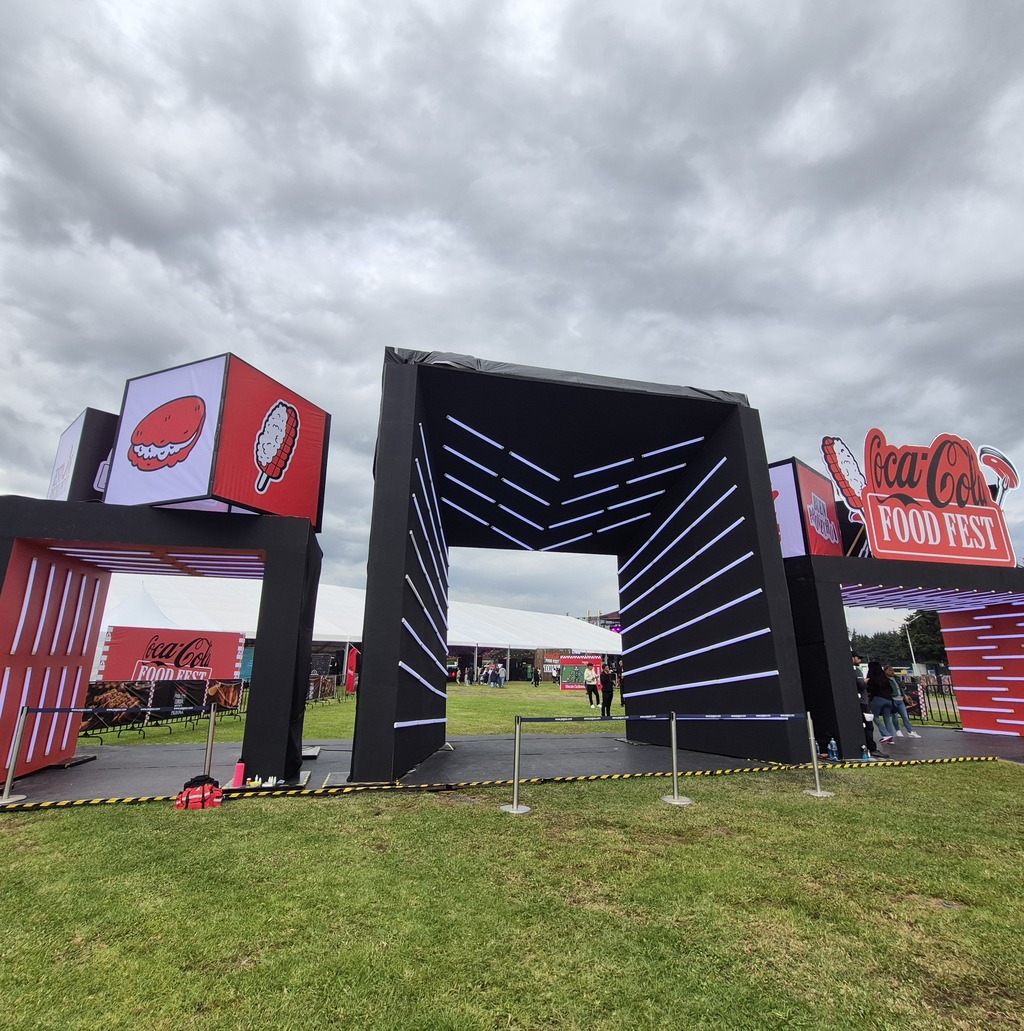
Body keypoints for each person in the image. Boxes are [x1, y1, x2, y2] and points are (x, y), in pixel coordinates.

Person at [853, 652, 882, 756]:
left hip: (858, 701)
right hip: (862, 702)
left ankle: (865, 747)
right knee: (868, 725)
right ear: (852, 658)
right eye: (858, 658)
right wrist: (865, 682)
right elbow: (861, 684)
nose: (860, 660)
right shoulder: (856, 670)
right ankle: (871, 748)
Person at [865, 659, 897, 744]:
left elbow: (870, 689)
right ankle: (890, 736)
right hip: (888, 700)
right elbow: (890, 689)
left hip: (878, 698)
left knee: (874, 716)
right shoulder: (884, 677)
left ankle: (885, 734)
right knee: (887, 718)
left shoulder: (872, 677)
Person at [885, 666, 921, 738]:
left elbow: (902, 687)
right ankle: (898, 730)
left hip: (900, 699)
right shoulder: (886, 680)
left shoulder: (897, 678)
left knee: (905, 716)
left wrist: (903, 688)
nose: (892, 672)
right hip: (893, 699)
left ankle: (910, 731)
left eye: (893, 670)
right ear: (885, 671)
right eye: (890, 670)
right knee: (895, 716)